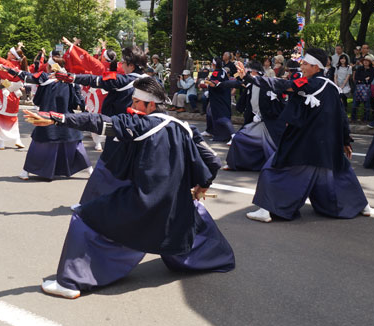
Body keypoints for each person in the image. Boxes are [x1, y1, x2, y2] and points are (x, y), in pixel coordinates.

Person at [23, 77, 235, 298]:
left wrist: (57, 118)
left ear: (150, 105)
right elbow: (213, 161)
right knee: (193, 216)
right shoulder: (186, 128)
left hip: (144, 204)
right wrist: (202, 186)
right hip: (173, 206)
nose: (131, 106)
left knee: (84, 217)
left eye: (135, 102)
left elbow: (97, 121)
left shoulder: (141, 125)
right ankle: (216, 256)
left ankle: (71, 282)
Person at [236, 48, 370, 223]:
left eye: (306, 64)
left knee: (274, 170)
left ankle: (267, 209)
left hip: (304, 142)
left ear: (316, 67)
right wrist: (345, 141)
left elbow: (280, 84)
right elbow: (342, 117)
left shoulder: (310, 84)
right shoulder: (332, 87)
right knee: (339, 174)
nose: (302, 67)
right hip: (327, 144)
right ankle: (360, 205)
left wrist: (248, 77)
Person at [54, 46, 149, 201]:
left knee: (107, 169)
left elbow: (95, 80)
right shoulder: (152, 81)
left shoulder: (124, 80)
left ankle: (94, 203)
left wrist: (72, 77)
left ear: (131, 65)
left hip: (119, 130)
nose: (121, 64)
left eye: (124, 61)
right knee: (134, 169)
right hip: (142, 132)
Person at [9, 57, 92, 180]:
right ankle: (90, 171)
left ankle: (25, 172)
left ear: (51, 67)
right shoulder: (70, 81)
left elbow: (37, 101)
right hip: (66, 118)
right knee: (76, 145)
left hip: (47, 118)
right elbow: (76, 103)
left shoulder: (45, 82)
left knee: (38, 146)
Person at [224, 61, 286, 171]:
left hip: (270, 123)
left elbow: (279, 105)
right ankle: (237, 163)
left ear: (253, 72)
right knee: (239, 138)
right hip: (256, 122)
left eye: (247, 71)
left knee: (273, 146)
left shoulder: (267, 84)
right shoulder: (250, 85)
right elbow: (241, 99)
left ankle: (281, 166)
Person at [202, 57, 237, 142]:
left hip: (218, 98)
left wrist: (206, 83)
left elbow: (214, 84)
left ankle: (233, 135)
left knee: (222, 117)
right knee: (209, 113)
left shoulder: (216, 72)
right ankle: (209, 130)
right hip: (223, 96)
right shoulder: (223, 71)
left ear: (213, 64)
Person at [351, 55, 374, 122]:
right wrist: (364, 79)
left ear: (370, 62)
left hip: (367, 88)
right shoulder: (359, 68)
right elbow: (356, 78)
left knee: (366, 104)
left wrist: (361, 80)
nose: (365, 62)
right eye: (364, 61)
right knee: (355, 104)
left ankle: (366, 118)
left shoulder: (372, 70)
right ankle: (353, 118)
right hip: (358, 88)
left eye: (367, 61)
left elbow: (370, 80)